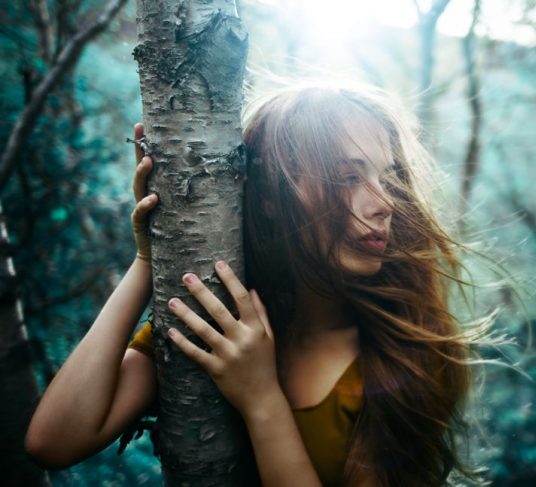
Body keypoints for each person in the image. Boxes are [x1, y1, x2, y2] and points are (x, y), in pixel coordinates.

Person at [25, 82, 497, 486]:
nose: (383, 203)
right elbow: (53, 441)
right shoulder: (221, 321)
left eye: (389, 178)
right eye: (348, 176)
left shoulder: (406, 355)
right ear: (271, 196)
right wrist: (150, 254)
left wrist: (261, 398)